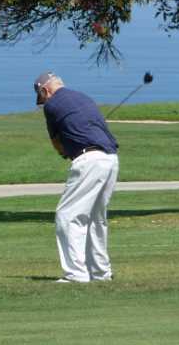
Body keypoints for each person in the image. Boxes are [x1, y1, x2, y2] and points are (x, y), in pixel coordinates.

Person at [34, 71, 120, 283]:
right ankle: (101, 273)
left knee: (67, 215)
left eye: (41, 97)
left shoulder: (51, 105)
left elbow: (56, 142)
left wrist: (65, 153)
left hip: (89, 161)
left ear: (45, 91)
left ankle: (76, 274)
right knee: (96, 218)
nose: (43, 103)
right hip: (110, 159)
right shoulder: (83, 97)